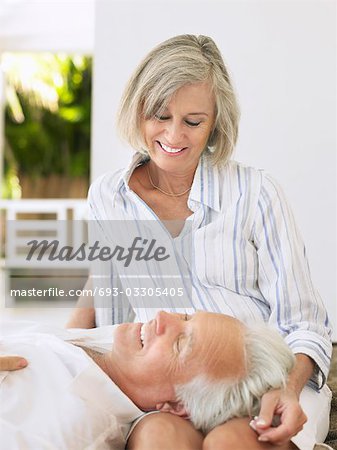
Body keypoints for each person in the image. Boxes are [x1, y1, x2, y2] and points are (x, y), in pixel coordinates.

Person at [4, 34, 332, 449]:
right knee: (160, 436)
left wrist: (286, 389)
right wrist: (53, 353)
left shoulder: (256, 192)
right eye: (159, 115)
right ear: (137, 109)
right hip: (168, 388)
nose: (174, 136)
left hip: (264, 378)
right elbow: (102, 284)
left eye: (193, 122)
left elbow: (305, 324)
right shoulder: (110, 194)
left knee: (232, 441)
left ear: (216, 123)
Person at [0, 311, 294, 449]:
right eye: (186, 316)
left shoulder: (68, 427)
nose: (163, 317)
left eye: (180, 344)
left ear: (177, 406)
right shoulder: (111, 355)